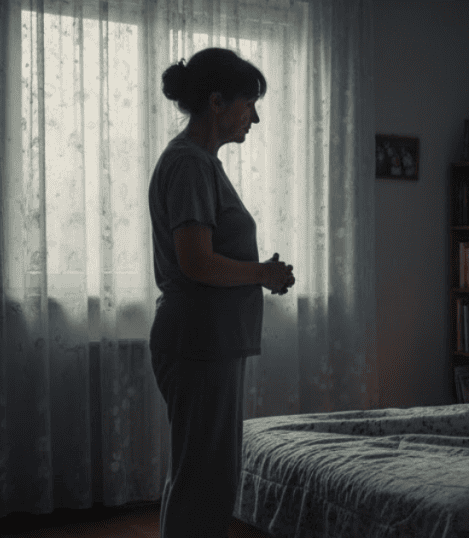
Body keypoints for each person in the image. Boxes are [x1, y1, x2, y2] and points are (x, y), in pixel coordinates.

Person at [148, 47, 294, 538]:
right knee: (205, 481)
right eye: (248, 102)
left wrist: (260, 273)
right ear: (216, 102)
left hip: (207, 341)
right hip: (200, 341)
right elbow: (197, 262)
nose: (253, 115)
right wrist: (261, 274)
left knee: (201, 477)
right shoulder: (190, 164)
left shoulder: (199, 162)